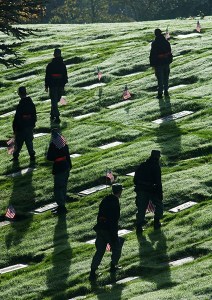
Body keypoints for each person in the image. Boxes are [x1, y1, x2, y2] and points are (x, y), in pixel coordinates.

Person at [89, 183, 124, 280]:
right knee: (117, 246)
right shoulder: (115, 202)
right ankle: (113, 267)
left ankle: (92, 272)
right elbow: (114, 220)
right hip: (108, 229)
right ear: (120, 191)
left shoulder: (105, 200)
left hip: (100, 228)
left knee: (99, 251)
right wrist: (114, 236)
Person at [133, 150, 163, 231]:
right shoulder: (156, 166)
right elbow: (158, 182)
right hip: (152, 190)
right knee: (159, 205)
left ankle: (139, 227)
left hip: (141, 189)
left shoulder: (142, 165)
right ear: (157, 157)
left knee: (141, 208)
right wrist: (160, 194)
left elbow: (135, 179)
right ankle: (156, 223)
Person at [47, 129, 72, 214]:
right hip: (66, 166)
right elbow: (68, 156)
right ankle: (62, 205)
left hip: (59, 168)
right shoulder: (64, 144)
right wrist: (69, 166)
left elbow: (49, 157)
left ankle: (61, 207)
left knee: (57, 189)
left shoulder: (53, 145)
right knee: (63, 187)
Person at [12, 86, 37, 162]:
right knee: (29, 142)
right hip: (29, 127)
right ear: (26, 93)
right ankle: (32, 156)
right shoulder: (31, 104)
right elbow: (34, 116)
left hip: (21, 128)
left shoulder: (20, 106)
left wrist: (15, 128)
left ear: (19, 94)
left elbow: (17, 118)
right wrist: (32, 125)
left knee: (18, 143)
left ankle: (15, 157)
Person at [45, 48, 68, 123]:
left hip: (56, 85)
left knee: (55, 100)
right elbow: (65, 76)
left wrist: (46, 85)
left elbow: (47, 76)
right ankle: (57, 116)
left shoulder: (52, 65)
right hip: (55, 85)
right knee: (55, 101)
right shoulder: (58, 65)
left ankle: (52, 114)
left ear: (54, 54)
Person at [149, 29, 173, 99]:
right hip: (166, 63)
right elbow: (170, 52)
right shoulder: (166, 42)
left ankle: (160, 94)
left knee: (160, 79)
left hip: (158, 64)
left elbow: (153, 54)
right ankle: (166, 91)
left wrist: (152, 64)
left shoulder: (154, 43)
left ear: (155, 34)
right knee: (166, 78)